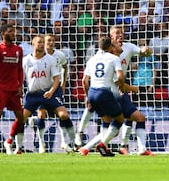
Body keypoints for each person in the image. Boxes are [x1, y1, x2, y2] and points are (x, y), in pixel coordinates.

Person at [76, 26, 155, 156]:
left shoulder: (127, 47)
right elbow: (116, 79)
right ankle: (132, 148)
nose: (120, 35)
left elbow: (143, 52)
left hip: (104, 92)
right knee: (135, 118)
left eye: (122, 33)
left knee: (113, 125)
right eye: (117, 33)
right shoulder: (111, 57)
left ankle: (87, 147)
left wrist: (147, 50)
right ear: (110, 37)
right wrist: (131, 88)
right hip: (113, 92)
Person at [14, 35, 75, 154]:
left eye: (51, 41)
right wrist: (19, 89)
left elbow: (62, 70)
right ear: (33, 44)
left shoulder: (54, 58)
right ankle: (19, 147)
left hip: (51, 90)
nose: (45, 44)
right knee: (23, 118)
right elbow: (19, 77)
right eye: (41, 42)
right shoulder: (26, 60)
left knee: (63, 115)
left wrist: (59, 86)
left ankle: (73, 142)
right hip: (33, 94)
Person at [80, 36, 125, 157]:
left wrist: (87, 96)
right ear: (110, 46)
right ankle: (103, 144)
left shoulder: (92, 59)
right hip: (104, 92)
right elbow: (120, 77)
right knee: (120, 119)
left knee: (105, 119)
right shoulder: (114, 58)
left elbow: (84, 81)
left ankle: (103, 149)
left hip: (92, 93)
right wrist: (120, 85)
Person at [0, 24, 24, 155]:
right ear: (3, 33)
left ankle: (9, 141)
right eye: (10, 31)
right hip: (0, 89)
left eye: (14, 31)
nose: (14, 33)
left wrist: (20, 85)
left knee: (21, 117)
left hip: (14, 89)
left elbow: (19, 69)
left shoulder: (18, 50)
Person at [35, 34, 75, 154]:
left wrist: (63, 83)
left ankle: (64, 141)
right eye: (48, 41)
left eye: (53, 41)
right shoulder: (39, 55)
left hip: (56, 88)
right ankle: (41, 142)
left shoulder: (60, 55)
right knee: (41, 114)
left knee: (61, 114)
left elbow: (65, 67)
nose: (51, 43)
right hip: (42, 88)